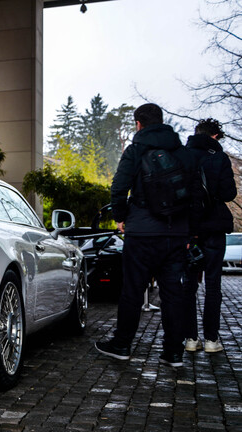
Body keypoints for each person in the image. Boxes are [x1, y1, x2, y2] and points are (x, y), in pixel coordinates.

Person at [95, 103, 199, 368]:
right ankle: (174, 352)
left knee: (132, 291)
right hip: (175, 233)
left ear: (138, 124)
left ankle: (122, 345)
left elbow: (119, 186)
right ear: (162, 121)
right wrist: (189, 231)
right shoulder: (184, 153)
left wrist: (120, 217)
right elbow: (196, 194)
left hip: (141, 232)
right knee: (173, 293)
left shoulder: (135, 150)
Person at [183, 118, 236, 353]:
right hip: (214, 228)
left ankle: (190, 339)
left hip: (189, 230)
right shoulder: (219, 157)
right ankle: (212, 340)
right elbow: (228, 193)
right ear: (215, 136)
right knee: (213, 285)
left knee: (188, 285)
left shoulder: (182, 155)